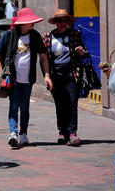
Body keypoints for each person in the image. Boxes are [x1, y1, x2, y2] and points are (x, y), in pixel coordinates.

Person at [0, 8, 53, 147]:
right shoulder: (9, 35)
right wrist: (0, 74)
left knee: (25, 107)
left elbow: (43, 57)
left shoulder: (34, 36)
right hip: (12, 78)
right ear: (22, 23)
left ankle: (23, 135)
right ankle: (13, 133)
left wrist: (46, 75)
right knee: (14, 105)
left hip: (28, 79)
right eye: (30, 22)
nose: (32, 24)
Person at [43, 9, 86, 146]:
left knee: (72, 104)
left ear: (68, 22)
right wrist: (47, 75)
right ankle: (62, 132)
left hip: (72, 74)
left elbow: (85, 52)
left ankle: (72, 133)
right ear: (55, 23)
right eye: (59, 21)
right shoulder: (47, 37)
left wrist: (82, 52)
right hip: (55, 75)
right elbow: (44, 59)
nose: (62, 24)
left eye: (64, 21)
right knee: (60, 105)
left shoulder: (75, 34)